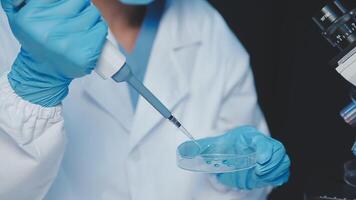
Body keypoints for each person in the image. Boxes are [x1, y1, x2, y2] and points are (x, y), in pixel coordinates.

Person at [0, 0, 290, 199]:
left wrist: (234, 174)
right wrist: (35, 83)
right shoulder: (16, 22)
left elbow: (244, 191)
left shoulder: (206, 26)